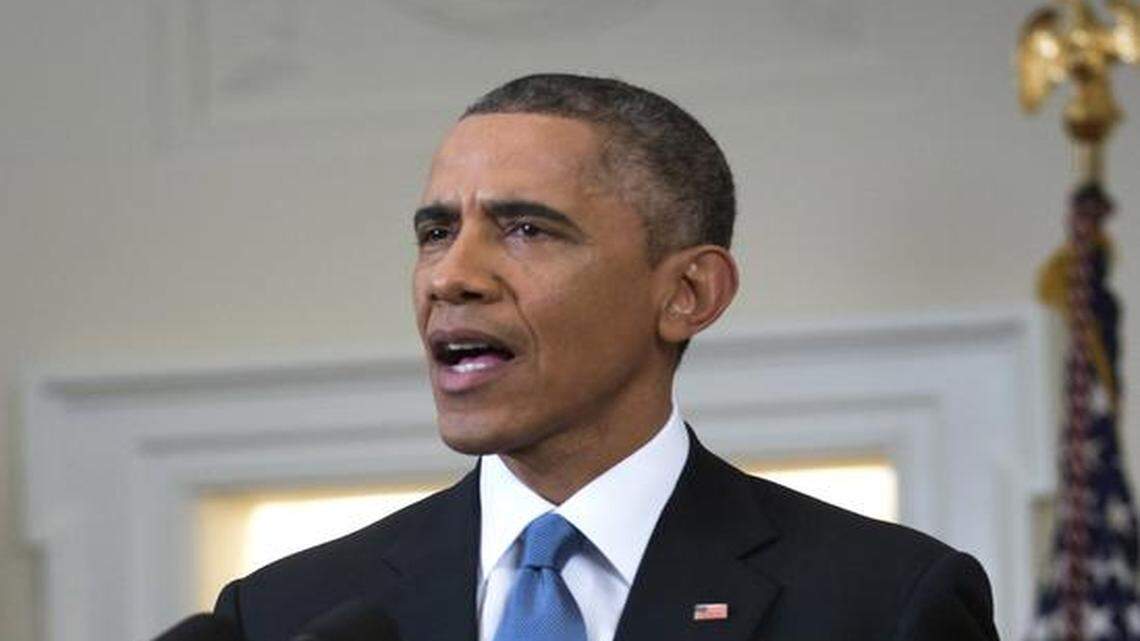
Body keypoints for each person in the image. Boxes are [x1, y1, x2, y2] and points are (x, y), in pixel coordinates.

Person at [213, 74, 1000, 641]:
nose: (452, 275)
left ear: (690, 291)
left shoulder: (881, 603)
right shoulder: (286, 614)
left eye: (525, 229)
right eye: (435, 232)